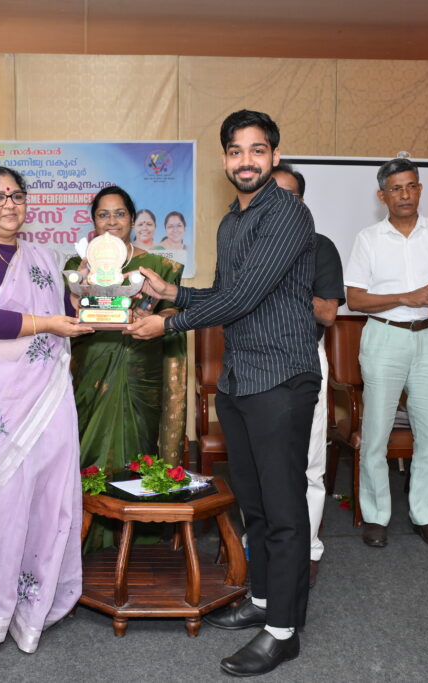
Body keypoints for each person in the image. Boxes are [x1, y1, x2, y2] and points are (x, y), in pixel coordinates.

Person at [128, 110, 319, 677]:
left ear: (274, 156)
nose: (246, 161)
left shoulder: (288, 213)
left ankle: (283, 632)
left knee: (284, 509)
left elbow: (244, 298)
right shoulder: (233, 222)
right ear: (224, 159)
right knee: (253, 502)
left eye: (257, 150)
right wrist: (174, 293)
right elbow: (226, 292)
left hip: (280, 378)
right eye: (236, 151)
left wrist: (167, 322)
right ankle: (262, 600)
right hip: (239, 379)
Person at [0, 165, 90, 672]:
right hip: (0, 398)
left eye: (17, 196)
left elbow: (69, 313)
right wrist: (49, 322)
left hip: (48, 394)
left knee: (48, 495)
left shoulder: (42, 257)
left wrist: (96, 299)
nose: (10, 205)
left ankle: (30, 605)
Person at [343, 158, 428, 550]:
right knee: (376, 433)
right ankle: (376, 516)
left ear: (420, 189)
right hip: (384, 337)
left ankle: (426, 516)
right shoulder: (368, 238)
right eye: (396, 188)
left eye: (411, 186)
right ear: (382, 196)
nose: (405, 194)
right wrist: (406, 297)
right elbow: (355, 299)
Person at [64, 187, 186, 550]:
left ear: (132, 219)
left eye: (119, 214)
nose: (112, 221)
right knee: (87, 446)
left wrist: (153, 316)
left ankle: (139, 539)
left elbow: (174, 310)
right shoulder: (78, 265)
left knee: (138, 446)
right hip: (91, 366)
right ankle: (85, 539)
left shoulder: (157, 266)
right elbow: (70, 310)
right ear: (93, 220)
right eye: (103, 214)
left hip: (139, 368)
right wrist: (81, 284)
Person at [271, 163, 343, 585]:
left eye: (291, 195)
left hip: (303, 357)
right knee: (261, 464)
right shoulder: (243, 241)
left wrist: (280, 283)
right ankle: (259, 543)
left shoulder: (320, 246)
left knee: (309, 462)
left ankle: (308, 549)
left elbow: (328, 313)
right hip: (254, 359)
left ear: (301, 202)